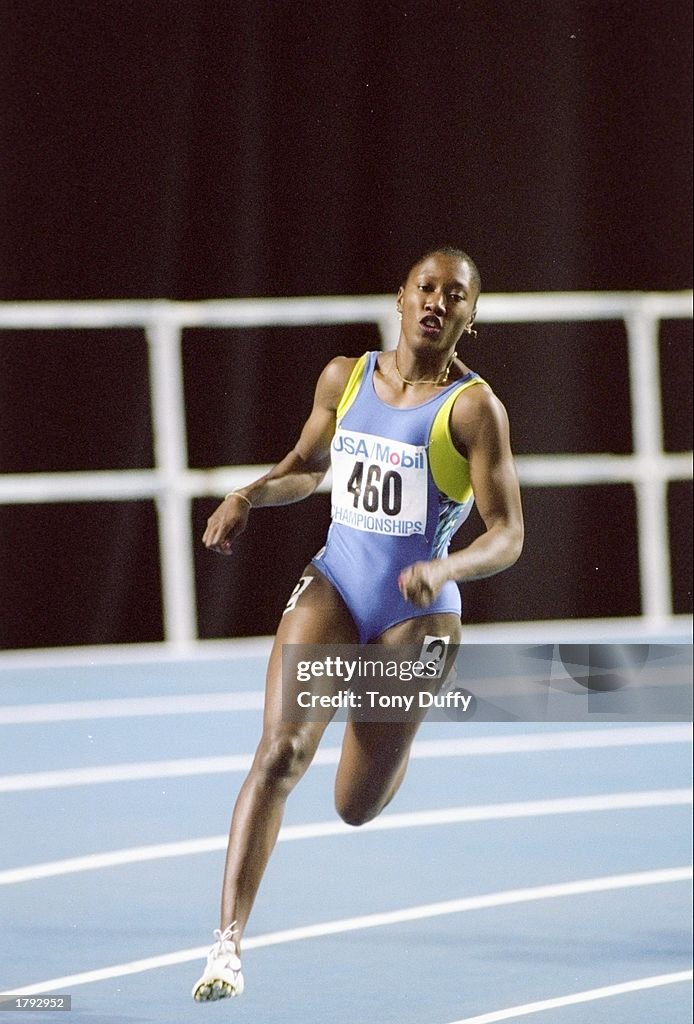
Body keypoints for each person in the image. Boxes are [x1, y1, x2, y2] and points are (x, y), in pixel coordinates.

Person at [191, 246, 524, 1001]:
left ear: (470, 317)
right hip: (337, 583)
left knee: (353, 806)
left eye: (457, 296)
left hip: (418, 616)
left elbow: (508, 534)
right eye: (427, 288)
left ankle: (394, 724)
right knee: (279, 752)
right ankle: (226, 948)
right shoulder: (345, 378)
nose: (439, 302)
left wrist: (448, 567)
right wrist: (250, 494)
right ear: (400, 297)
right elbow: (308, 467)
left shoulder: (474, 410)